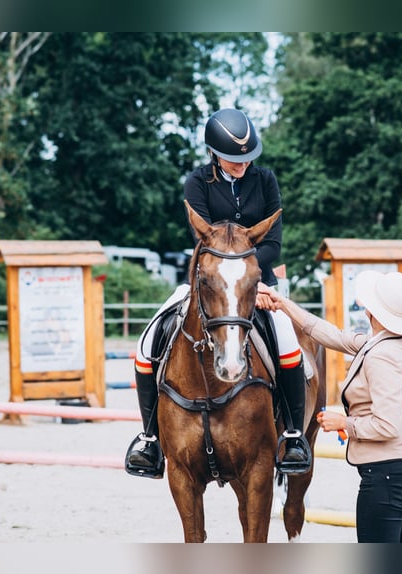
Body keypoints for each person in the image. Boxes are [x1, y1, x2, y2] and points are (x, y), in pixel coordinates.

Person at [125, 108, 311, 478]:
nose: (242, 164)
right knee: (147, 344)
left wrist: (248, 275)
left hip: (257, 279)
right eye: (233, 158)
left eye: (247, 158)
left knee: (288, 341)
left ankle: (291, 434)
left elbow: (273, 242)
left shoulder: (266, 180)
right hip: (207, 279)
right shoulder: (196, 183)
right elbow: (203, 241)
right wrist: (229, 271)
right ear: (214, 152)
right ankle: (149, 438)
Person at [258, 270, 402, 543]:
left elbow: (387, 424)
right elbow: (330, 334)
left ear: (373, 312)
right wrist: (282, 303)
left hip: (386, 475)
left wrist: (343, 423)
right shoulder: (385, 343)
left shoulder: (381, 356)